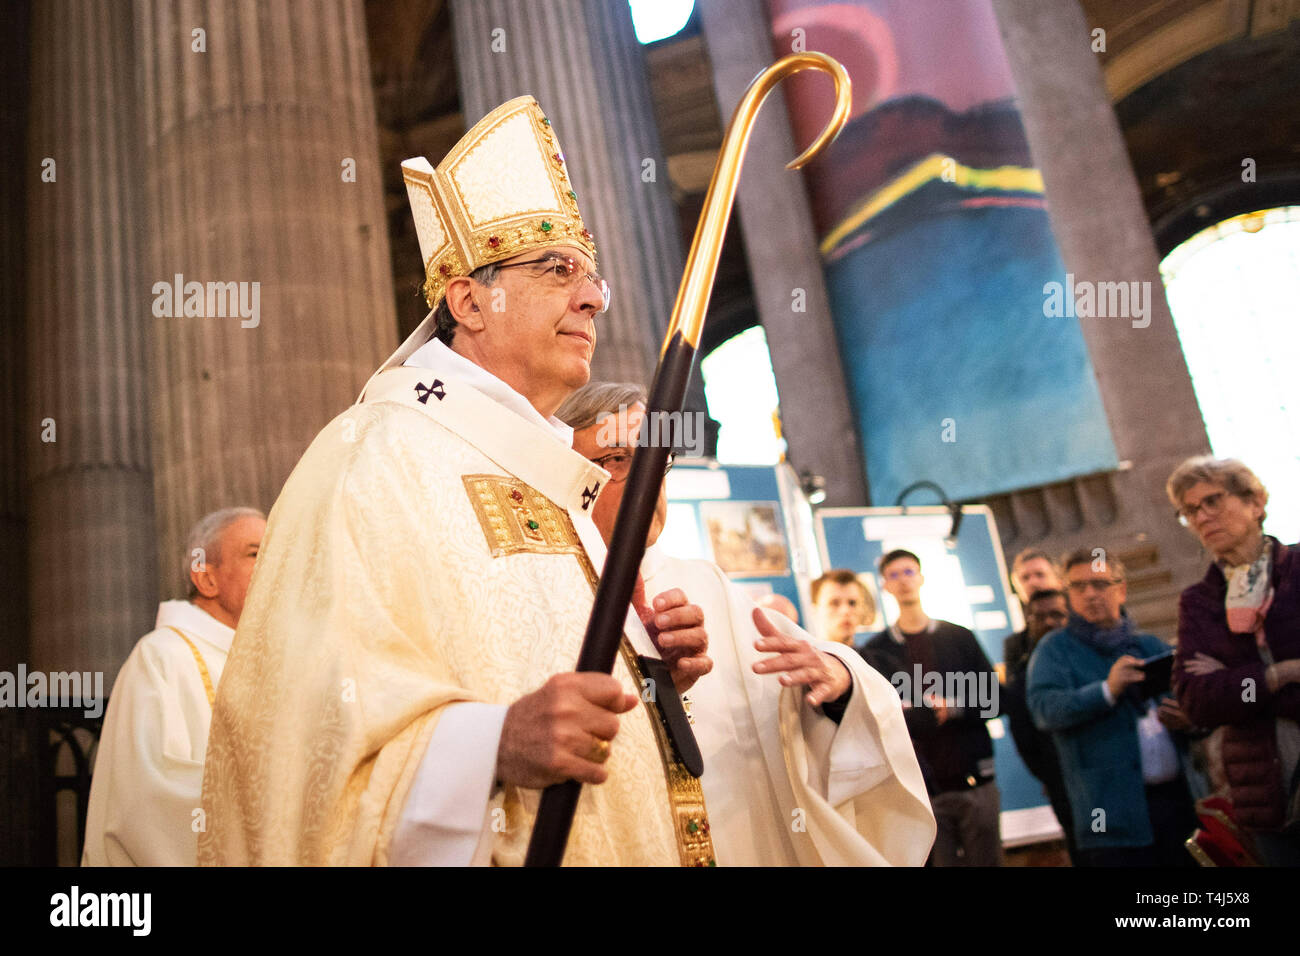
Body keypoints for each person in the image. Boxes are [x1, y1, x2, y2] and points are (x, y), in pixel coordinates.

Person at [200, 97, 725, 867]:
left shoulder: (543, 468)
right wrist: (493, 745)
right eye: (557, 270)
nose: (590, 298)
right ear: (469, 301)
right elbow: (297, 730)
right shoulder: (371, 459)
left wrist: (647, 672)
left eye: (593, 280)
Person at [557, 381, 935, 865]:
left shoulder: (709, 586)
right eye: (617, 459)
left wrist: (838, 685)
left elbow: (803, 711)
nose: (647, 479)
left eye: (657, 458)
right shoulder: (541, 585)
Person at [82, 507, 266, 866]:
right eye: (256, 553)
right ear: (207, 579)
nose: (276, 564)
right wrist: (276, 789)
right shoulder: (161, 657)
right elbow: (143, 798)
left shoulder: (271, 663)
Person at [1166, 456, 1300, 865]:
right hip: (1266, 794)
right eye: (1190, 511)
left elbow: (1221, 695)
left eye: (1212, 501)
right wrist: (1279, 674)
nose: (1202, 517)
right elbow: (1197, 701)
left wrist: (1234, 683)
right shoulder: (1199, 602)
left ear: (1255, 502)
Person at [1027, 549, 1198, 866]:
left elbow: (1193, 704)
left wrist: (1187, 720)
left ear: (1121, 590)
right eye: (1078, 586)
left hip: (1177, 804)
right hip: (1110, 816)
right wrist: (1106, 690)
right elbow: (1044, 709)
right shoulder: (1054, 650)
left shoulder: (1149, 645)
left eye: (1099, 584)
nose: (1090, 594)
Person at [861, 549, 1003, 865]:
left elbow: (996, 699)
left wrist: (953, 708)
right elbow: (877, 717)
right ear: (885, 585)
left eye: (908, 572)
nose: (903, 581)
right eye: (894, 575)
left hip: (974, 777)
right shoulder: (877, 651)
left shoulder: (959, 637)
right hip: (920, 790)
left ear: (922, 578)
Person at [1000, 549, 1077, 861]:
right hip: (1054, 764)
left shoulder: (1086, 632)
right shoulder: (1015, 647)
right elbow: (1020, 714)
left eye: (1039, 574)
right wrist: (1046, 772)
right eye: (1025, 578)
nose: (1033, 582)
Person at [811, 568, 875, 646]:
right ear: (815, 610)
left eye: (852, 603)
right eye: (834, 603)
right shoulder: (805, 653)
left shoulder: (877, 653)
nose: (845, 611)